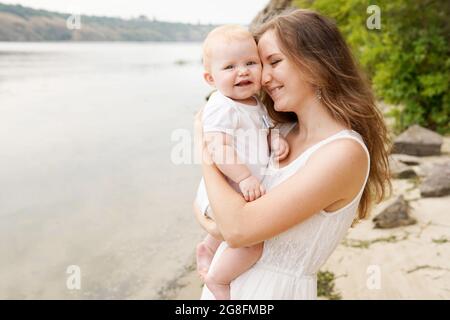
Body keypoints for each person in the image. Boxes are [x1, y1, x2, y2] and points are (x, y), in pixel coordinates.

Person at [194, 9, 391, 300]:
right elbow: (203, 206)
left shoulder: (343, 153)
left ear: (316, 64)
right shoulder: (278, 135)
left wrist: (205, 143)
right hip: (225, 288)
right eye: (262, 64)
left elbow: (237, 229)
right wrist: (217, 226)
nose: (264, 76)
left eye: (273, 62)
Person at [194, 24, 290, 300]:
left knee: (237, 230)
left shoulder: (255, 103)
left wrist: (274, 140)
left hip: (239, 190)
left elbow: (264, 127)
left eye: (250, 62)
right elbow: (216, 146)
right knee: (252, 245)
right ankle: (219, 280)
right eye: (230, 67)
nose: (243, 71)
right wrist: (244, 177)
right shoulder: (221, 105)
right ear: (210, 78)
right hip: (226, 188)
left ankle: (208, 248)